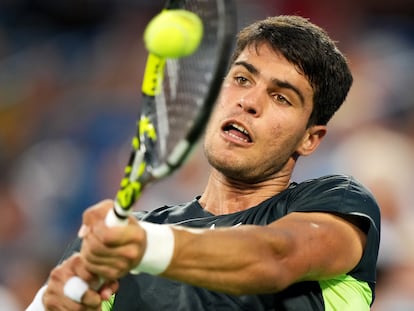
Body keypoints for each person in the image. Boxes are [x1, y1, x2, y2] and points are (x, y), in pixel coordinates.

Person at [27, 15, 380, 311]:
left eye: (281, 97)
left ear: (310, 138)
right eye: (242, 79)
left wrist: (145, 246)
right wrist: (53, 304)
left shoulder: (339, 203)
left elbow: (276, 256)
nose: (249, 102)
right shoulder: (125, 238)